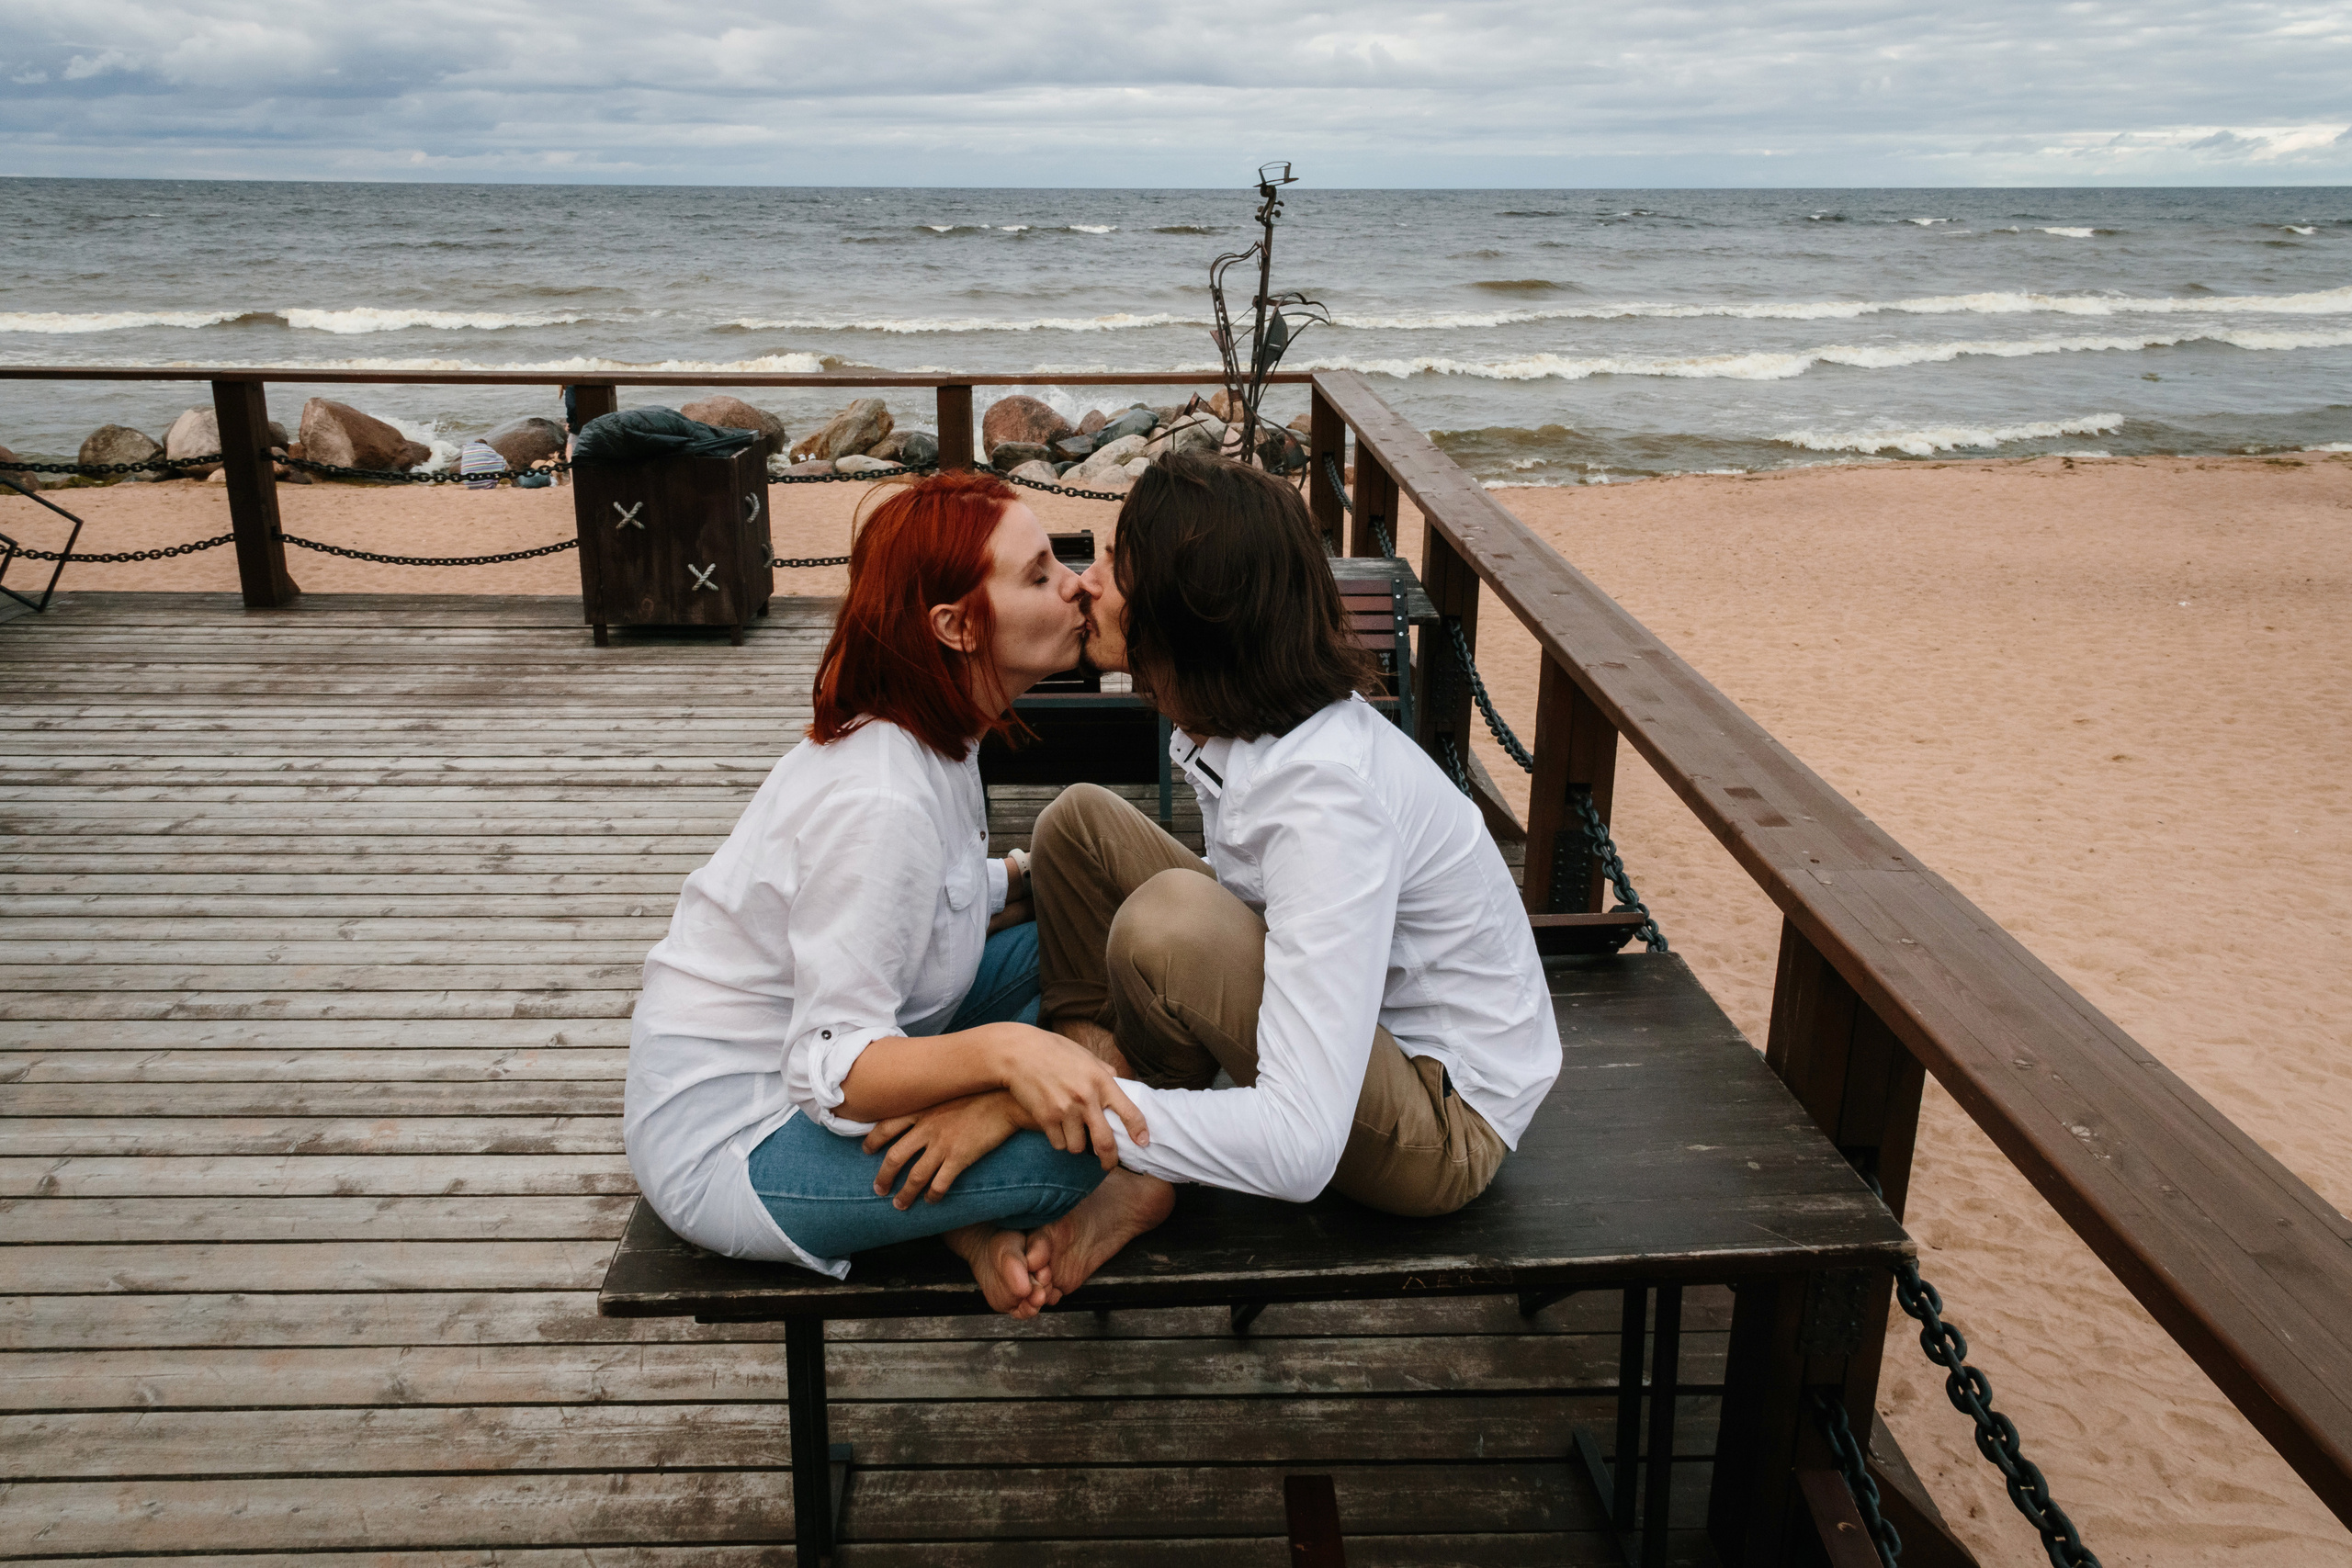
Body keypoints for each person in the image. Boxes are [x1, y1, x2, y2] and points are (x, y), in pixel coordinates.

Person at [1009, 451, 1560, 1292]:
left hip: (1441, 1119)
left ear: (1183, 614)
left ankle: (1130, 1141)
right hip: (1360, 1038)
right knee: (1077, 825)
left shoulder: (1324, 800)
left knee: (1169, 921)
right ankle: (1109, 1069)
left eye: (1116, 565)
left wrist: (1050, 1105)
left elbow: (1302, 1146)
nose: (1085, 583)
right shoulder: (1235, 714)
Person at [623, 468, 1154, 1317]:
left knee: (1099, 941)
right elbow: (828, 1064)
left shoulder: (934, 738)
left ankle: (964, 1206)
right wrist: (1009, 1062)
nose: (1077, 586)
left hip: (846, 1037)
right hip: (741, 1133)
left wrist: (1028, 877)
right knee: (1081, 1150)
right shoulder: (879, 797)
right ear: (954, 626)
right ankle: (967, 1202)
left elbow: (925, 900)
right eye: (1039, 574)